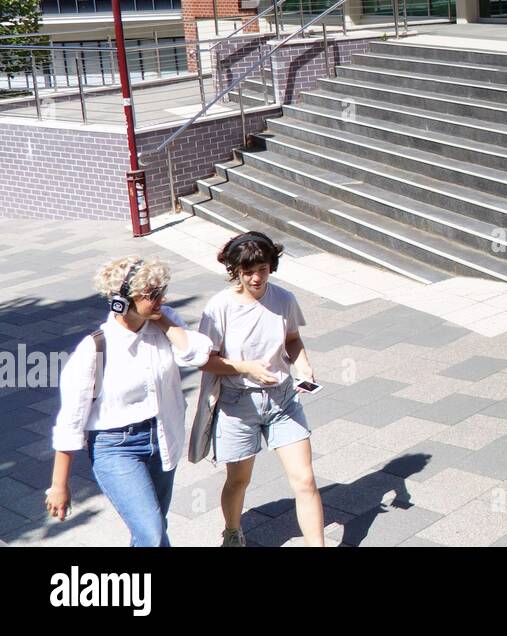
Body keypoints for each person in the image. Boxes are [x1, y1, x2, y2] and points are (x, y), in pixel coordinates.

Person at [46, 257, 213, 546]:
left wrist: (161, 318)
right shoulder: (94, 348)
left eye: (162, 289)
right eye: (152, 294)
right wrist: (59, 485)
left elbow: (197, 354)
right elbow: (70, 421)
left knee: (154, 526)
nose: (162, 298)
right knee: (150, 531)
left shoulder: (164, 322)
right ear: (120, 302)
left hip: (162, 437)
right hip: (116, 447)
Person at [197, 231, 324, 547]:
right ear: (236, 270)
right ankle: (232, 531)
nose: (256, 278)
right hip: (238, 404)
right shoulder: (219, 307)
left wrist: (303, 365)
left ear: (272, 267)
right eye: (248, 271)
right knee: (239, 480)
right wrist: (245, 367)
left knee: (305, 480)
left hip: (282, 400)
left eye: (263, 270)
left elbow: (292, 340)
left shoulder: (284, 300)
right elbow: (205, 361)